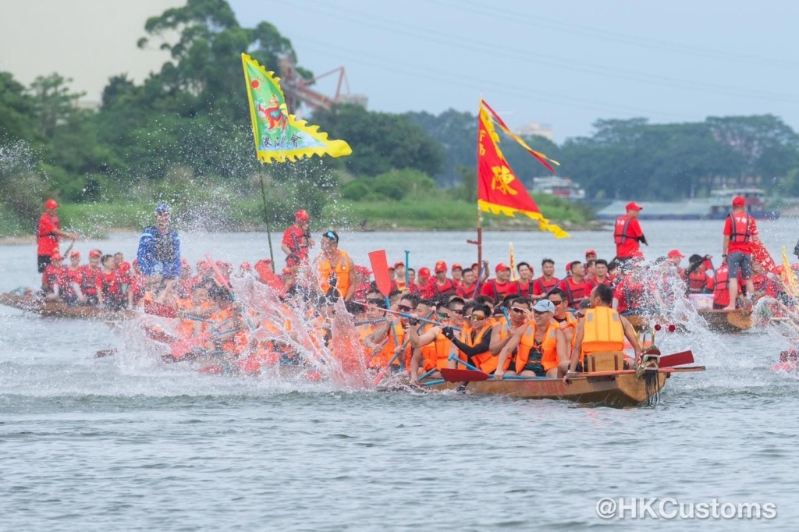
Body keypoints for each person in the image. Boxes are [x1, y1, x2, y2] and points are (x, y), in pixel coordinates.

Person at [564, 284, 641, 380]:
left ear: (597, 299)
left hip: (591, 367)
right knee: (631, 361)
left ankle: (565, 392)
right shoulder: (621, 319)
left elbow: (577, 348)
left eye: (591, 296)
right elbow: (637, 349)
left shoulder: (585, 318)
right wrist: (638, 366)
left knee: (561, 366)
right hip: (617, 365)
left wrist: (571, 372)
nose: (589, 299)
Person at [495, 299, 566, 379]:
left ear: (550, 315)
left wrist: (566, 373)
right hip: (527, 368)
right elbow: (507, 349)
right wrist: (499, 369)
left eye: (540, 312)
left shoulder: (558, 333)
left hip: (548, 368)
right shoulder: (524, 329)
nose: (536, 315)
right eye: (535, 311)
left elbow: (563, 357)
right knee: (529, 375)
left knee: (555, 373)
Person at [722, 196, 759, 310]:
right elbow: (755, 239)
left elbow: (726, 239)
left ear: (733, 206)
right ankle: (753, 307)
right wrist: (755, 254)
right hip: (747, 252)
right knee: (748, 278)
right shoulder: (751, 219)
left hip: (734, 251)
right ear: (743, 206)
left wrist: (724, 254)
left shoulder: (730, 219)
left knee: (733, 278)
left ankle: (732, 305)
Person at [137, 204, 181, 281]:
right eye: (160, 214)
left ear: (169, 217)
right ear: (156, 217)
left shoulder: (174, 234)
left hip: (168, 270)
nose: (163, 218)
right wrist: (146, 273)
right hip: (153, 270)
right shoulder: (149, 232)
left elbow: (177, 256)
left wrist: (176, 274)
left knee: (171, 285)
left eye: (166, 215)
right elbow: (141, 254)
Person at [37, 199, 77, 274]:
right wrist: (70, 235)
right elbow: (54, 231)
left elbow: (59, 234)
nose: (55, 210)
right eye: (53, 208)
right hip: (44, 252)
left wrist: (70, 238)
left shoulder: (55, 219)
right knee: (45, 274)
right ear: (47, 209)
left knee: (57, 272)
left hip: (54, 252)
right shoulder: (43, 219)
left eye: (55, 208)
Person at [317, 230, 355, 302]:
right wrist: (323, 298)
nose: (321, 245)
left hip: (343, 299)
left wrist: (345, 302)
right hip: (324, 299)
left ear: (334, 245)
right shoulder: (317, 261)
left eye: (324, 242)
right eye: (321, 242)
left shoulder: (348, 261)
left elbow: (353, 284)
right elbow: (314, 282)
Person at [614, 201, 647, 267]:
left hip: (620, 253)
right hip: (630, 253)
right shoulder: (633, 220)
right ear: (630, 210)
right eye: (636, 210)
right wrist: (645, 242)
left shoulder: (619, 220)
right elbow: (640, 235)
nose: (638, 212)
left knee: (623, 271)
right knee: (630, 272)